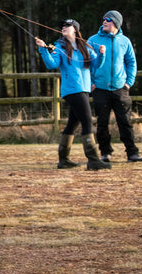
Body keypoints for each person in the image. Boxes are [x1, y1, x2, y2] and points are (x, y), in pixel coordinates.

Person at [36, 19, 111, 170]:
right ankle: (93, 160)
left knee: (72, 123)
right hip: (72, 90)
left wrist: (102, 54)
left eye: (67, 26)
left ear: (75, 29)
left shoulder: (85, 47)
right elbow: (52, 64)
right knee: (87, 120)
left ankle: (63, 160)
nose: (63, 28)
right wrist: (43, 49)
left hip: (84, 89)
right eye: (62, 26)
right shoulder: (59, 47)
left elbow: (96, 65)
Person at [90, 10, 142, 163]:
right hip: (100, 88)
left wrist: (129, 83)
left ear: (116, 23)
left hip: (121, 89)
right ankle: (105, 153)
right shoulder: (93, 40)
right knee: (102, 123)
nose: (104, 21)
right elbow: (87, 63)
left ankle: (132, 153)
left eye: (108, 19)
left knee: (125, 122)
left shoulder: (125, 41)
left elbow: (131, 62)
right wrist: (91, 83)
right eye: (103, 19)